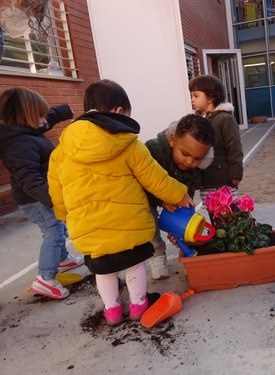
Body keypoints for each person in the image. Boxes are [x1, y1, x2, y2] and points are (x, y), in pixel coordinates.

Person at [47, 79, 192, 326]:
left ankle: (112, 311)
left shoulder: (61, 150)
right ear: (117, 112)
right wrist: (179, 194)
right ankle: (138, 306)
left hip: (88, 228)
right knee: (134, 265)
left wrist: (63, 214)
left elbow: (56, 188)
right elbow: (154, 178)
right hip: (129, 226)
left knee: (104, 271)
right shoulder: (128, 144)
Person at [0, 86, 83, 300]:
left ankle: (62, 259)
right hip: (34, 198)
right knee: (54, 232)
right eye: (40, 114)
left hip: (42, 195)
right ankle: (45, 278)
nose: (44, 119)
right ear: (26, 116)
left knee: (60, 227)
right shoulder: (18, 143)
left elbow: (45, 122)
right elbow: (28, 179)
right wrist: (53, 199)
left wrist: (62, 112)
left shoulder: (24, 131)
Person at [145, 113, 215, 280]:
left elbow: (187, 193)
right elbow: (142, 186)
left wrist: (178, 223)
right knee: (149, 216)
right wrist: (162, 199)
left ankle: (187, 253)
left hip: (175, 198)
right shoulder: (153, 150)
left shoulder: (197, 166)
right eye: (185, 154)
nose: (190, 162)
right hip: (150, 196)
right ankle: (157, 254)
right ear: (172, 139)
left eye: (197, 158)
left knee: (184, 222)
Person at [188, 74, 244, 206]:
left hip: (223, 180)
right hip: (206, 181)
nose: (192, 99)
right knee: (214, 216)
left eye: (196, 96)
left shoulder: (224, 119)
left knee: (228, 217)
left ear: (210, 97)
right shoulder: (198, 120)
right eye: (192, 96)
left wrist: (236, 173)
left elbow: (234, 147)